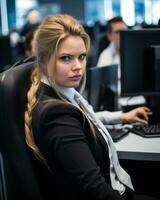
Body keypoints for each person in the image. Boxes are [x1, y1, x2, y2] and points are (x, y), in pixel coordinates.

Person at [24, 14, 157, 200]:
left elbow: (86, 118)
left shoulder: (62, 95)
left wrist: (122, 117)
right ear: (44, 60)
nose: (78, 67)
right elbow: (95, 190)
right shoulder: (57, 114)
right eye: (66, 58)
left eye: (82, 57)